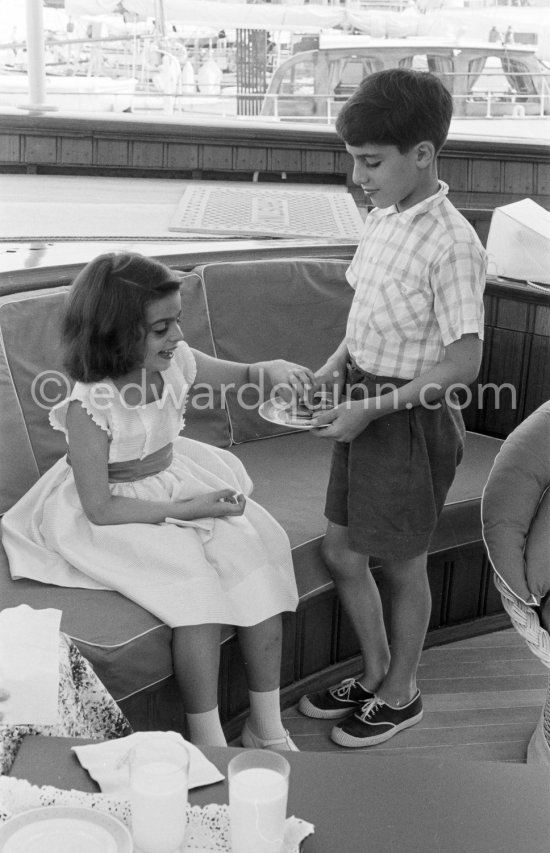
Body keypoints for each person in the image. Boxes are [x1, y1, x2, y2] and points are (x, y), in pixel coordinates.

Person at [2, 252, 314, 751]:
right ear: (116, 333)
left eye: (177, 323)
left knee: (258, 553)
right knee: (194, 587)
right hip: (111, 510)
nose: (177, 338)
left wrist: (268, 369)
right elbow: (100, 509)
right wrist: (189, 511)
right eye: (161, 328)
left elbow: (245, 375)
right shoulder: (91, 406)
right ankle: (209, 740)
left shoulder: (177, 364)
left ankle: (266, 725)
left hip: (173, 478)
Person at [297, 68, 486, 747]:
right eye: (353, 160)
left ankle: (403, 691)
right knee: (341, 550)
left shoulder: (454, 243)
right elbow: (366, 314)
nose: (358, 176)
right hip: (363, 397)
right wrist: (332, 368)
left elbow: (463, 364)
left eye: (370, 162)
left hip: (407, 421)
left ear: (423, 155)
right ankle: (377, 671)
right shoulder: (381, 216)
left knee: (401, 563)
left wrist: (372, 408)